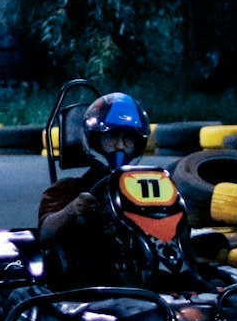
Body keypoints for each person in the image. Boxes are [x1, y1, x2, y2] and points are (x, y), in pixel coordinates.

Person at [37, 91, 153, 287]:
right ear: (94, 141)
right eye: (112, 138)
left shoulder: (147, 187)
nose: (121, 147)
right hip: (88, 281)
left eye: (129, 139)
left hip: (142, 274)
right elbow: (45, 233)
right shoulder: (68, 189)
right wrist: (72, 210)